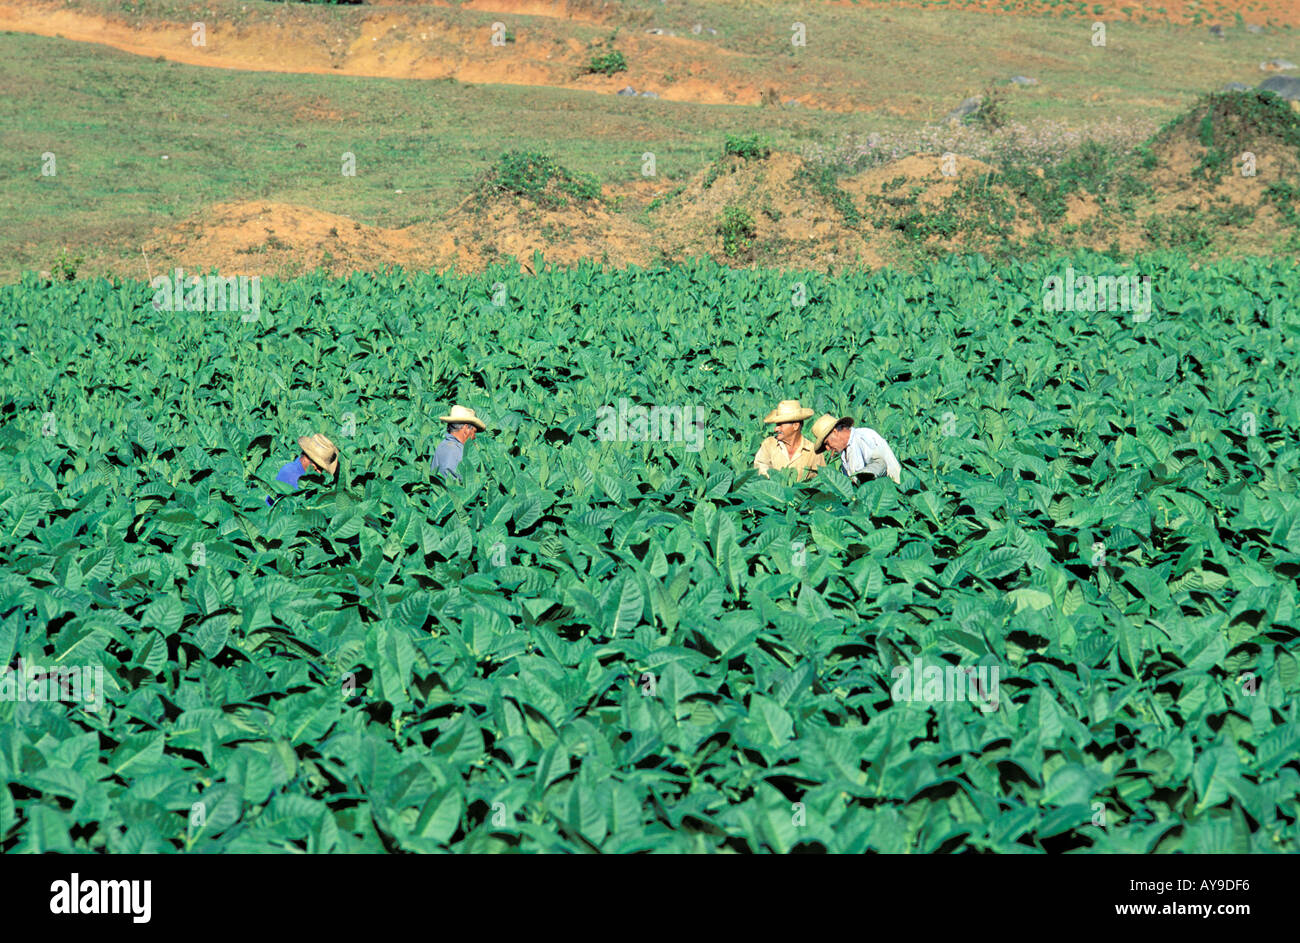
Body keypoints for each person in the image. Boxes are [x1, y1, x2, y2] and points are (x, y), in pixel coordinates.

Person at [811, 413, 902, 484]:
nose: (827, 448)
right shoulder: (844, 454)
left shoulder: (863, 437)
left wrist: (861, 479)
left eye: (827, 443)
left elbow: (880, 464)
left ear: (835, 432)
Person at [752, 400, 824, 482]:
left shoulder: (813, 451)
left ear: (795, 426)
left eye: (780, 425)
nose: (776, 429)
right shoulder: (769, 444)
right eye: (776, 425)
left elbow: (820, 481)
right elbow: (760, 468)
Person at [267, 433, 339, 505]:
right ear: (305, 459)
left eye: (322, 469)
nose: (319, 472)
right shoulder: (291, 474)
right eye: (317, 467)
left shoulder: (297, 469)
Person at [431, 405, 487, 481]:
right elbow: (456, 485)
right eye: (474, 432)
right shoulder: (455, 450)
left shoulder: (443, 444)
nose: (474, 437)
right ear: (466, 428)